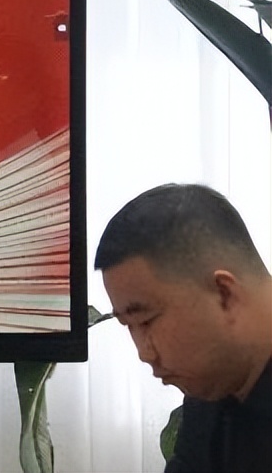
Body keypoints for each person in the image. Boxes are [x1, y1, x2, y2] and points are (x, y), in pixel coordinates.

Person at [96, 183, 272, 473]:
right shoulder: (211, 390)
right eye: (129, 326)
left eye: (146, 321)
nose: (144, 353)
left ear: (224, 294)